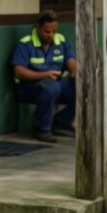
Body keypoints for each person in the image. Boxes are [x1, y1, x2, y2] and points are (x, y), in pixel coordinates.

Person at [10, 10, 77, 143]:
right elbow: (18, 71)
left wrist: (75, 71)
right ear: (38, 28)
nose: (50, 35)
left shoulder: (61, 40)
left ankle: (61, 122)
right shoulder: (25, 44)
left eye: (54, 31)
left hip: (57, 83)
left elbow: (70, 59)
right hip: (29, 86)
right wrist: (45, 74)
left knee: (82, 86)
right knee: (50, 88)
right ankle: (41, 128)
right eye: (47, 31)